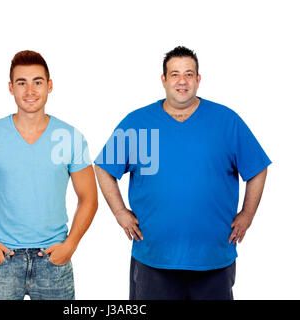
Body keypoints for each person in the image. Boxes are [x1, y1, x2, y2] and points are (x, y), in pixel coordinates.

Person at [94, 46, 271, 300]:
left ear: (198, 80)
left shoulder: (226, 121)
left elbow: (257, 168)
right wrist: (120, 212)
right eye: (175, 74)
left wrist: (248, 214)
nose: (182, 81)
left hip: (213, 257)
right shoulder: (137, 123)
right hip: (153, 257)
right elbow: (103, 168)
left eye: (189, 74)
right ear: (163, 80)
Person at [0, 50, 98, 300]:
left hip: (53, 260)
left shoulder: (70, 137)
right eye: (22, 83)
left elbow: (88, 197)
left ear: (50, 86)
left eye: (37, 82)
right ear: (11, 88)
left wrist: (71, 245)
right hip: (2, 259)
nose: (30, 90)